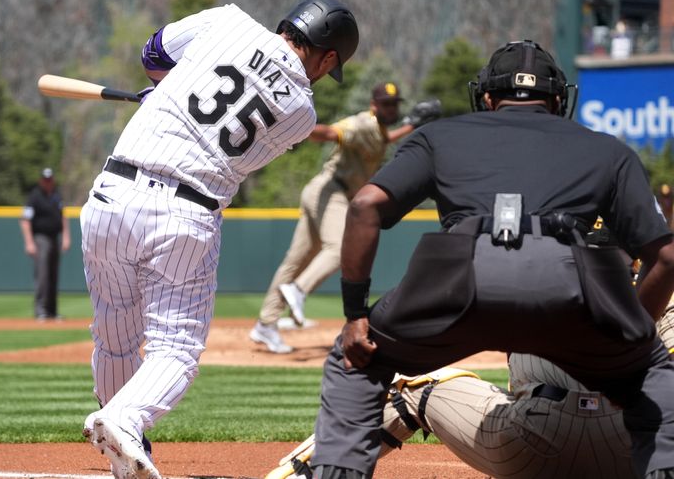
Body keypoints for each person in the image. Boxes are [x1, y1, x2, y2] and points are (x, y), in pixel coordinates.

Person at [310, 40, 674, 479]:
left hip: (457, 270)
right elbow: (666, 259)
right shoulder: (606, 148)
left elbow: (365, 205)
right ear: (559, 100)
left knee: (358, 357)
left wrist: (354, 316)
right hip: (565, 278)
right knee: (654, 370)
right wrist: (630, 345)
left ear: (485, 97)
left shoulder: (439, 135)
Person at [78, 0, 359, 479]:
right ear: (327, 56)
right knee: (176, 351)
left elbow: (152, 56)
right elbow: (231, 142)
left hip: (111, 195)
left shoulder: (226, 20)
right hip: (185, 213)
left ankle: (126, 453)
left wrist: (164, 88)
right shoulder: (301, 114)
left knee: (115, 338)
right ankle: (126, 418)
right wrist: (174, 92)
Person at [267, 293, 674, 479]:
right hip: (638, 457)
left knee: (414, 386)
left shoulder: (528, 277)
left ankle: (298, 477)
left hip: (531, 448)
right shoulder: (665, 289)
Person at [249, 84, 441, 354]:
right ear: (374, 105)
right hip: (331, 191)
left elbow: (383, 140)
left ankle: (265, 325)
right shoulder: (362, 124)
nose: (392, 108)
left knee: (295, 260)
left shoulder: (377, 129)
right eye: (386, 104)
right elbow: (329, 133)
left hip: (323, 191)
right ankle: (299, 291)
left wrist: (411, 125)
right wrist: (293, 126)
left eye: (395, 103)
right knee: (339, 249)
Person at [20, 167, 70, 321]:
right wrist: (29, 242)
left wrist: (66, 236)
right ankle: (41, 310)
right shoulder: (35, 196)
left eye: (50, 179)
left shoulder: (56, 195)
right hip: (40, 238)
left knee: (53, 275)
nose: (48, 182)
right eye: (45, 179)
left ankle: (52, 311)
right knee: (42, 274)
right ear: (41, 181)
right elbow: (25, 220)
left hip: (55, 237)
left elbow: (63, 217)